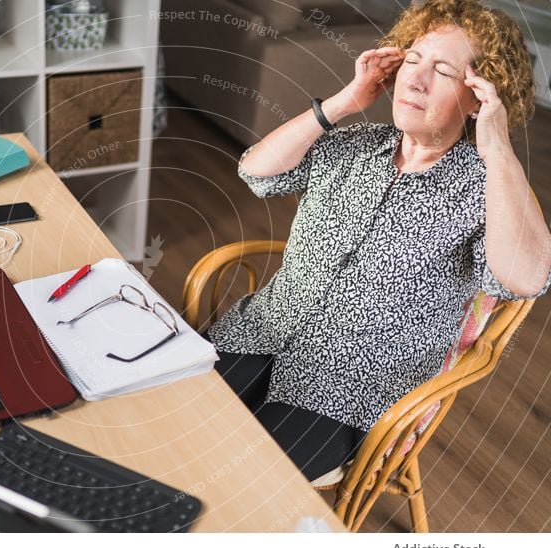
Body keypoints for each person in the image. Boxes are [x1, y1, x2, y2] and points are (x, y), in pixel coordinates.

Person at [206, 0, 551, 482]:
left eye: (444, 71)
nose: (416, 79)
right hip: (261, 331)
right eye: (412, 60)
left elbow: (527, 278)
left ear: (478, 98)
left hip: (352, 388)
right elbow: (256, 172)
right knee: (166, 423)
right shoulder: (354, 142)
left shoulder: (486, 188)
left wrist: (498, 150)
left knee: (241, 483)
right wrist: (346, 101)